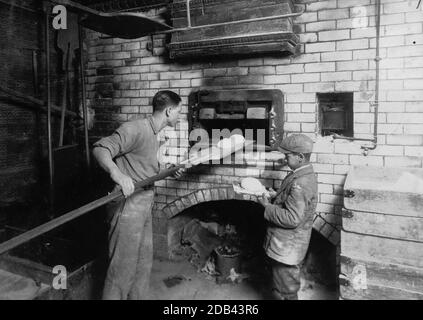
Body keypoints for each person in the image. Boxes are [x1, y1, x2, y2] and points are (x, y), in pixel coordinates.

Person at [92, 90, 183, 300]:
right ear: (169, 111)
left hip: (144, 203)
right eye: (179, 111)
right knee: (121, 273)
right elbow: (100, 148)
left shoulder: (153, 134)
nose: (180, 115)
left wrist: (168, 168)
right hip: (127, 206)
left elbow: (144, 167)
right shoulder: (135, 129)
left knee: (142, 266)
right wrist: (117, 173)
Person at [258, 134, 318, 300]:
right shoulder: (301, 174)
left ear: (300, 157)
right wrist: (277, 195)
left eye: (287, 155)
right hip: (288, 244)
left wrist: (267, 207)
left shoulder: (300, 183)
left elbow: (292, 218)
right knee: (282, 282)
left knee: (286, 289)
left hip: (287, 247)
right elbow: (294, 201)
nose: (284, 159)